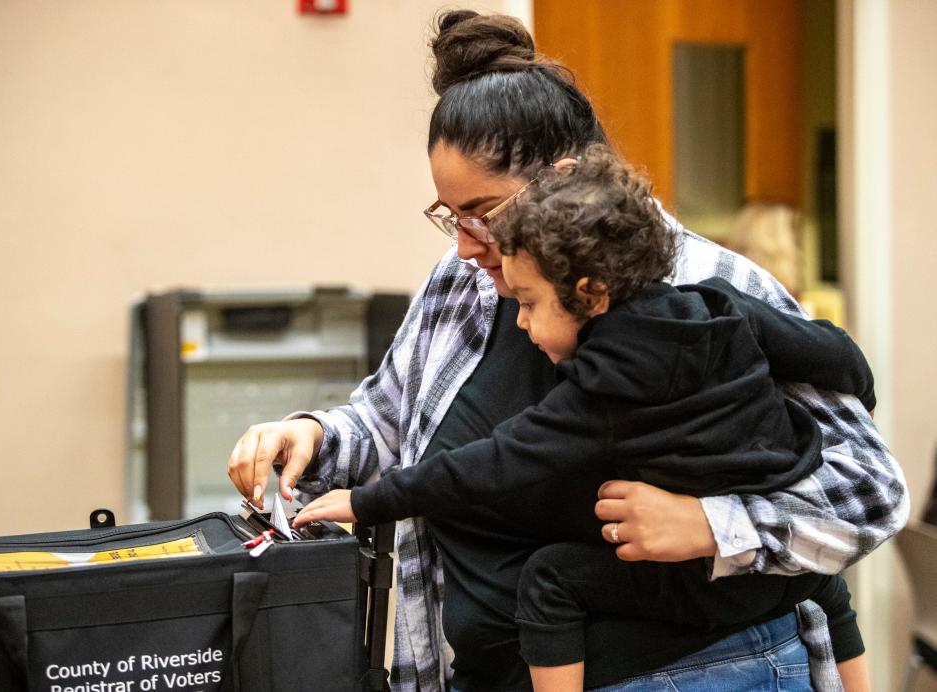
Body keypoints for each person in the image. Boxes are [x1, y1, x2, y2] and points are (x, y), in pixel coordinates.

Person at [226, 10, 907, 691]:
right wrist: (312, 435)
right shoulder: (462, 279)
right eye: (449, 215)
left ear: (566, 179)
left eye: (482, 215)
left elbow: (870, 493)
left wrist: (711, 523)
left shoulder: (707, 290)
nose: (463, 244)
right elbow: (386, 422)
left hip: (693, 670)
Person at [293, 145, 875, 692]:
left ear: (592, 293)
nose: (519, 322)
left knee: (551, 580)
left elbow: (497, 460)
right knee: (823, 581)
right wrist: (863, 394)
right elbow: (835, 353)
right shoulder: (715, 302)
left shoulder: (607, 388)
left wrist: (367, 502)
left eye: (526, 303)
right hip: (772, 527)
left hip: (700, 577)